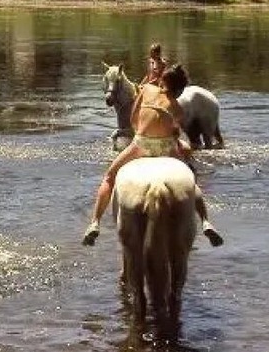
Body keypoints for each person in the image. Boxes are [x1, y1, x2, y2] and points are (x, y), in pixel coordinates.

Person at [82, 61, 224, 248]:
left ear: (163, 81)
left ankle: (94, 223)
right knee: (191, 180)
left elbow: (133, 120)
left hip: (141, 144)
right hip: (166, 147)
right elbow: (174, 132)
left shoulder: (147, 89)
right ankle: (206, 220)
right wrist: (182, 146)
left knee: (109, 177)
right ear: (180, 90)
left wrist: (142, 129)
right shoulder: (177, 107)